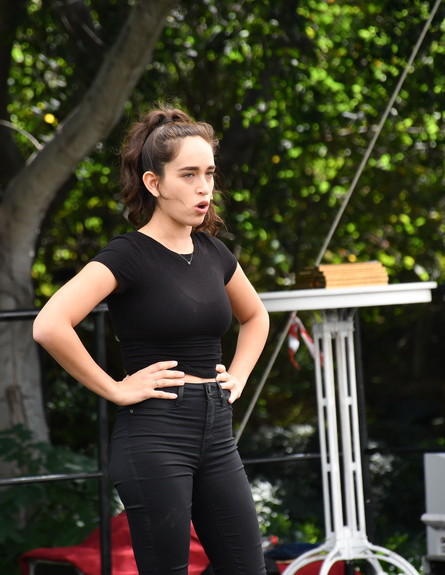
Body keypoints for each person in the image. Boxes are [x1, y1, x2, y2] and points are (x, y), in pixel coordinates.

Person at [33, 104, 270, 575]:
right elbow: (49, 324)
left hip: (217, 432)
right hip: (156, 434)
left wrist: (239, 376)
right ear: (153, 183)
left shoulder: (213, 252)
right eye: (188, 174)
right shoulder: (129, 254)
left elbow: (256, 316)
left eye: (209, 173)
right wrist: (116, 388)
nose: (204, 187)